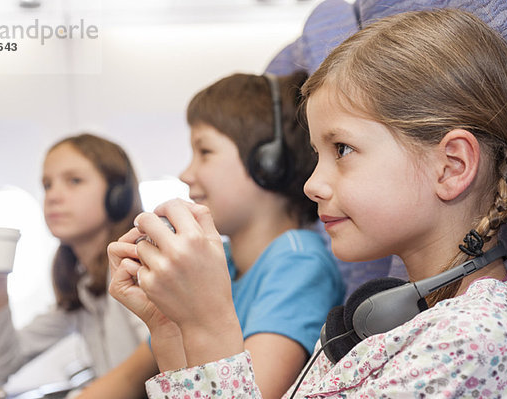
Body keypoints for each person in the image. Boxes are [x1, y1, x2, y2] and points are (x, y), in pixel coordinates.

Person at [109, 9, 507, 398]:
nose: (312, 185)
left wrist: (209, 324)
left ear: (452, 166)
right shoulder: (383, 323)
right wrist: (172, 328)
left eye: (341, 149)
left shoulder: (475, 342)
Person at [77, 72, 345, 399]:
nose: (186, 173)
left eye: (204, 152)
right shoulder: (222, 263)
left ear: (267, 163)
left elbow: (253, 392)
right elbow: (133, 377)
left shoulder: (299, 261)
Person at [0, 133, 147, 386]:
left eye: (74, 181)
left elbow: (158, 346)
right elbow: (5, 363)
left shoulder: (136, 263)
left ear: (117, 196)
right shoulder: (84, 284)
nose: (53, 196)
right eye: (47, 185)